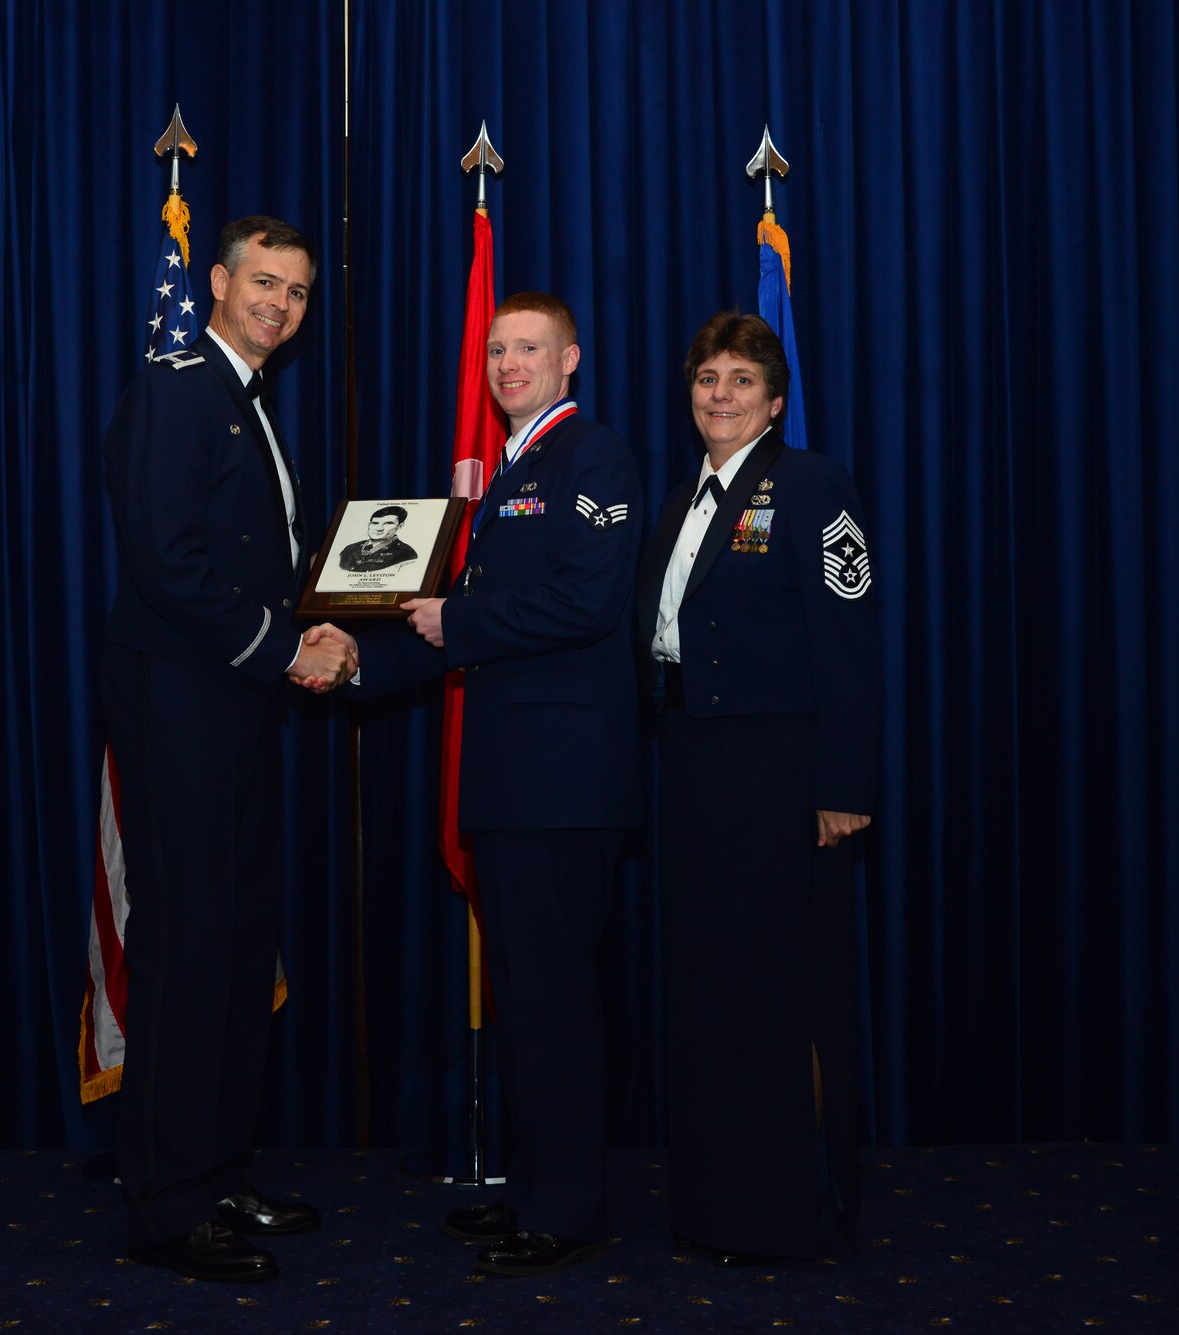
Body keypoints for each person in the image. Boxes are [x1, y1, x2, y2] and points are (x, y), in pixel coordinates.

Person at [349, 291, 642, 1277]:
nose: (508, 364)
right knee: (520, 998)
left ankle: (565, 1210)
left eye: (528, 348)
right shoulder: (507, 472)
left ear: (570, 361)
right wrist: (350, 658)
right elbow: (449, 613)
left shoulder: (591, 455)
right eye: (495, 350)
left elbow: (586, 603)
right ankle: (533, 1185)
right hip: (511, 781)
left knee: (554, 1000)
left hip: (564, 783)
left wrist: (457, 627)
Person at [98, 214, 358, 1284]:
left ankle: (217, 1172)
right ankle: (164, 1207)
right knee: (188, 953)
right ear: (216, 280)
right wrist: (285, 648)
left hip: (235, 705)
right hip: (182, 706)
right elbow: (166, 564)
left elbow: (265, 563)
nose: (278, 304)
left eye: (296, 292)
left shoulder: (240, 401)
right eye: (262, 282)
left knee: (240, 945)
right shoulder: (175, 386)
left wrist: (331, 622)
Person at [634, 311, 882, 1263]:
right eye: (707, 379)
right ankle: (714, 1201)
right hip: (693, 765)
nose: (721, 395)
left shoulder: (816, 486)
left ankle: (794, 1207)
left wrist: (845, 783)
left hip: (785, 777)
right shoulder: (684, 497)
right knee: (708, 988)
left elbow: (850, 645)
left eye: (742, 380)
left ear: (776, 401)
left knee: (779, 993)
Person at [336, 505, 420, 572]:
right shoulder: (350, 548)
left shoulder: (406, 553)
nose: (379, 528)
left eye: (388, 523)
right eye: (375, 523)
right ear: (369, 525)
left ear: (400, 526)